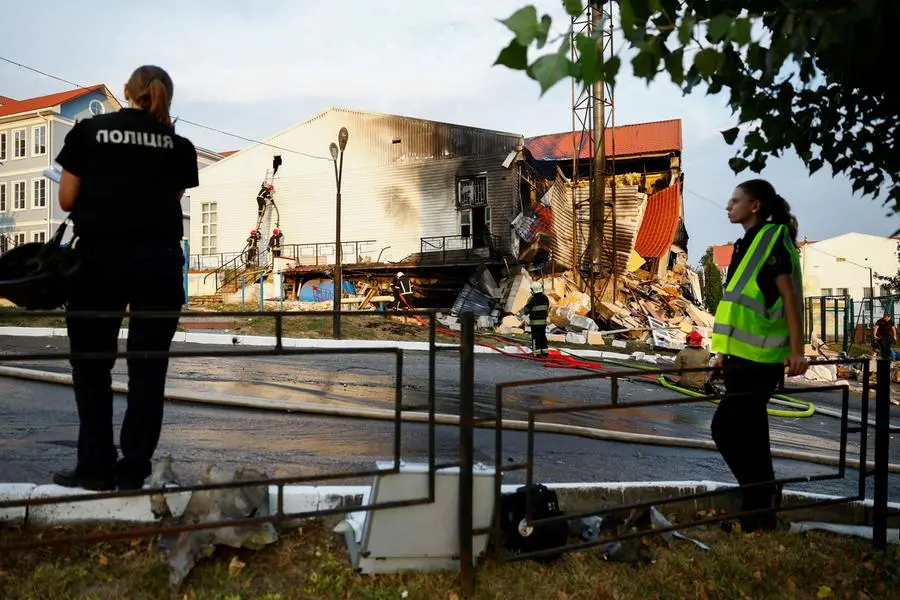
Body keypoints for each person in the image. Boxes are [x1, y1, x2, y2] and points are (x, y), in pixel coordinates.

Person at [52, 65, 199, 491]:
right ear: (166, 96)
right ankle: (133, 470)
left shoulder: (90, 131)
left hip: (100, 260)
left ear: (126, 92)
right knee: (149, 368)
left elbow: (66, 200)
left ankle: (95, 467)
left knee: (92, 365)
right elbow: (168, 198)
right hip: (159, 262)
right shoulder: (179, 145)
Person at [710, 179, 809, 534]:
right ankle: (760, 517)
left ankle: (760, 500)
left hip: (762, 360)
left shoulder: (771, 238)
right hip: (741, 357)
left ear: (754, 206)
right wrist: (723, 353)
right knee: (752, 437)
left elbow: (790, 299)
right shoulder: (744, 244)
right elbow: (738, 304)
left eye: (735, 200)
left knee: (723, 429)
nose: (728, 206)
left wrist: (798, 351)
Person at [524, 281, 549, 358]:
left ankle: (537, 353)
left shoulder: (532, 299)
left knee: (536, 337)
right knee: (542, 336)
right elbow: (547, 309)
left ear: (533, 290)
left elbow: (526, 310)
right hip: (543, 322)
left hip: (535, 323)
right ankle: (545, 352)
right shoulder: (545, 298)